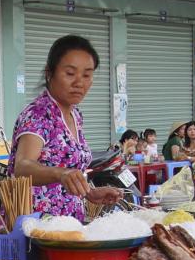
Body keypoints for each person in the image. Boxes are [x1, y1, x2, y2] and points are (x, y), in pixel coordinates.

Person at [8, 35, 120, 220]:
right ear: (49, 72)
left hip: (68, 225)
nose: (79, 82)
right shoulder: (39, 114)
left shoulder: (75, 114)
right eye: (70, 73)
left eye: (86, 75)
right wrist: (61, 174)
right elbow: (22, 166)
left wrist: (89, 193)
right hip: (37, 226)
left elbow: (69, 171)